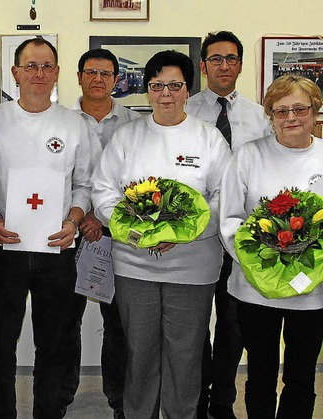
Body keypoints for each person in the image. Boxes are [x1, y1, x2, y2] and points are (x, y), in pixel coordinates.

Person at [92, 50, 231, 419]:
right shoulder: (127, 136)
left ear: (188, 90)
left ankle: (182, 414)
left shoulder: (209, 139)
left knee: (185, 351)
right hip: (134, 264)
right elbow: (103, 192)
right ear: (147, 90)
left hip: (193, 266)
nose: (165, 93)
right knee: (139, 349)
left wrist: (185, 232)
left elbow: (223, 197)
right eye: (157, 85)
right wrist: (140, 233)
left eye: (174, 85)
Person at [0, 38, 99, 418]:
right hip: (4, 249)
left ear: (58, 73)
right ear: (15, 72)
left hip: (58, 252)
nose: (39, 73)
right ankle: (2, 413)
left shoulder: (75, 125)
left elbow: (85, 184)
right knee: (1, 343)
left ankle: (48, 412)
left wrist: (74, 219)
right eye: (31, 65)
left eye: (47, 66)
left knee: (55, 343)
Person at [219, 75, 323, 419]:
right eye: (281, 111)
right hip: (255, 290)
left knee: (301, 376)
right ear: (270, 116)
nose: (291, 118)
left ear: (315, 111)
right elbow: (231, 219)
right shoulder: (249, 156)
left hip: (312, 292)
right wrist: (261, 262)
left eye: (299, 109)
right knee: (260, 373)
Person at [186, 30, 273, 419]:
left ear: (240, 64)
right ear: (203, 66)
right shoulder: (185, 111)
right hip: (198, 235)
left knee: (235, 325)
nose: (224, 65)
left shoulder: (260, 116)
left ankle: (221, 401)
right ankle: (195, 398)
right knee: (193, 324)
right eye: (216, 59)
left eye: (231, 58)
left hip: (244, 236)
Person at [58, 48, 141, 419]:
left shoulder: (135, 124)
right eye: (90, 72)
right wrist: (83, 217)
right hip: (66, 232)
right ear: (78, 77)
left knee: (118, 324)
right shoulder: (59, 120)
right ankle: (60, 397)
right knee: (64, 320)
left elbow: (138, 181)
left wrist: (100, 217)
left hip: (116, 233)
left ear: (116, 80)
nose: (98, 79)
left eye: (106, 74)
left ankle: (120, 401)